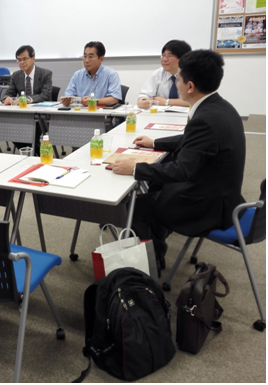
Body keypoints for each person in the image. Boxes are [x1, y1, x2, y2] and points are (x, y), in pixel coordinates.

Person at [112, 50, 245, 275]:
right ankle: (158, 246)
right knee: (156, 188)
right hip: (223, 194)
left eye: (179, 79)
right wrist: (155, 142)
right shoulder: (221, 107)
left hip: (209, 207)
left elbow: (182, 170)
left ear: (190, 86)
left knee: (136, 207)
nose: (177, 83)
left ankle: (148, 269)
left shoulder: (205, 119)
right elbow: (191, 141)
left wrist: (134, 168)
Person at [61, 41, 122, 106]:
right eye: (85, 56)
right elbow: (69, 94)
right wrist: (67, 100)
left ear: (101, 59)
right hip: (81, 111)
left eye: (90, 57)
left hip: (102, 111)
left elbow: (115, 99)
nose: (86, 60)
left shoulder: (111, 74)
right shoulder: (77, 75)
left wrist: (93, 101)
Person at [137, 40, 192, 109]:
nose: (164, 59)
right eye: (163, 55)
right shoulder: (157, 74)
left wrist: (166, 101)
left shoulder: (192, 74)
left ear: (182, 58)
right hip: (161, 113)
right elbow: (144, 95)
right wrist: (142, 101)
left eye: (169, 56)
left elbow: (194, 100)